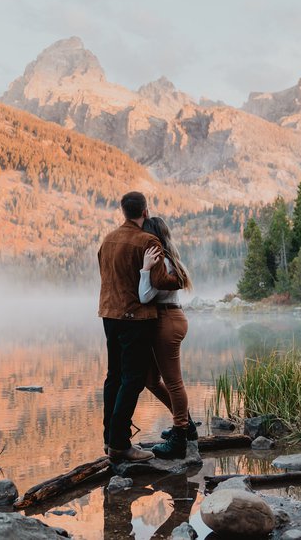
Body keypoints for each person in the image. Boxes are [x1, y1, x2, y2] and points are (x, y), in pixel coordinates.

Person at [98, 191, 183, 463]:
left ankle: (109, 439)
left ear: (123, 211)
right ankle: (120, 445)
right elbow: (160, 281)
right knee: (133, 379)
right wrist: (179, 279)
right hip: (134, 318)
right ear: (145, 212)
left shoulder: (108, 240)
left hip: (109, 315)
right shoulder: (148, 241)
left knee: (113, 376)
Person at [139, 216, 194, 459]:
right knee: (151, 380)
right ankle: (185, 424)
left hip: (168, 320)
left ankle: (180, 436)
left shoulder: (161, 262)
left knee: (173, 382)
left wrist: (144, 270)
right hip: (167, 319)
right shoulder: (167, 259)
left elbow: (145, 296)